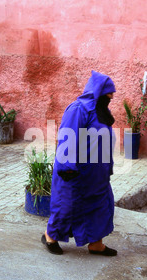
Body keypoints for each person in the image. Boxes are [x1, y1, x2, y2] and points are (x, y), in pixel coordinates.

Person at [41, 70, 117, 256]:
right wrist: (67, 167)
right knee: (67, 206)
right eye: (109, 94)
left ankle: (96, 244)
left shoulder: (101, 111)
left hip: (97, 174)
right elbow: (67, 136)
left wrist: (108, 167)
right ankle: (50, 236)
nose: (112, 97)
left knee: (100, 207)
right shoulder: (78, 109)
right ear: (98, 92)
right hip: (76, 173)